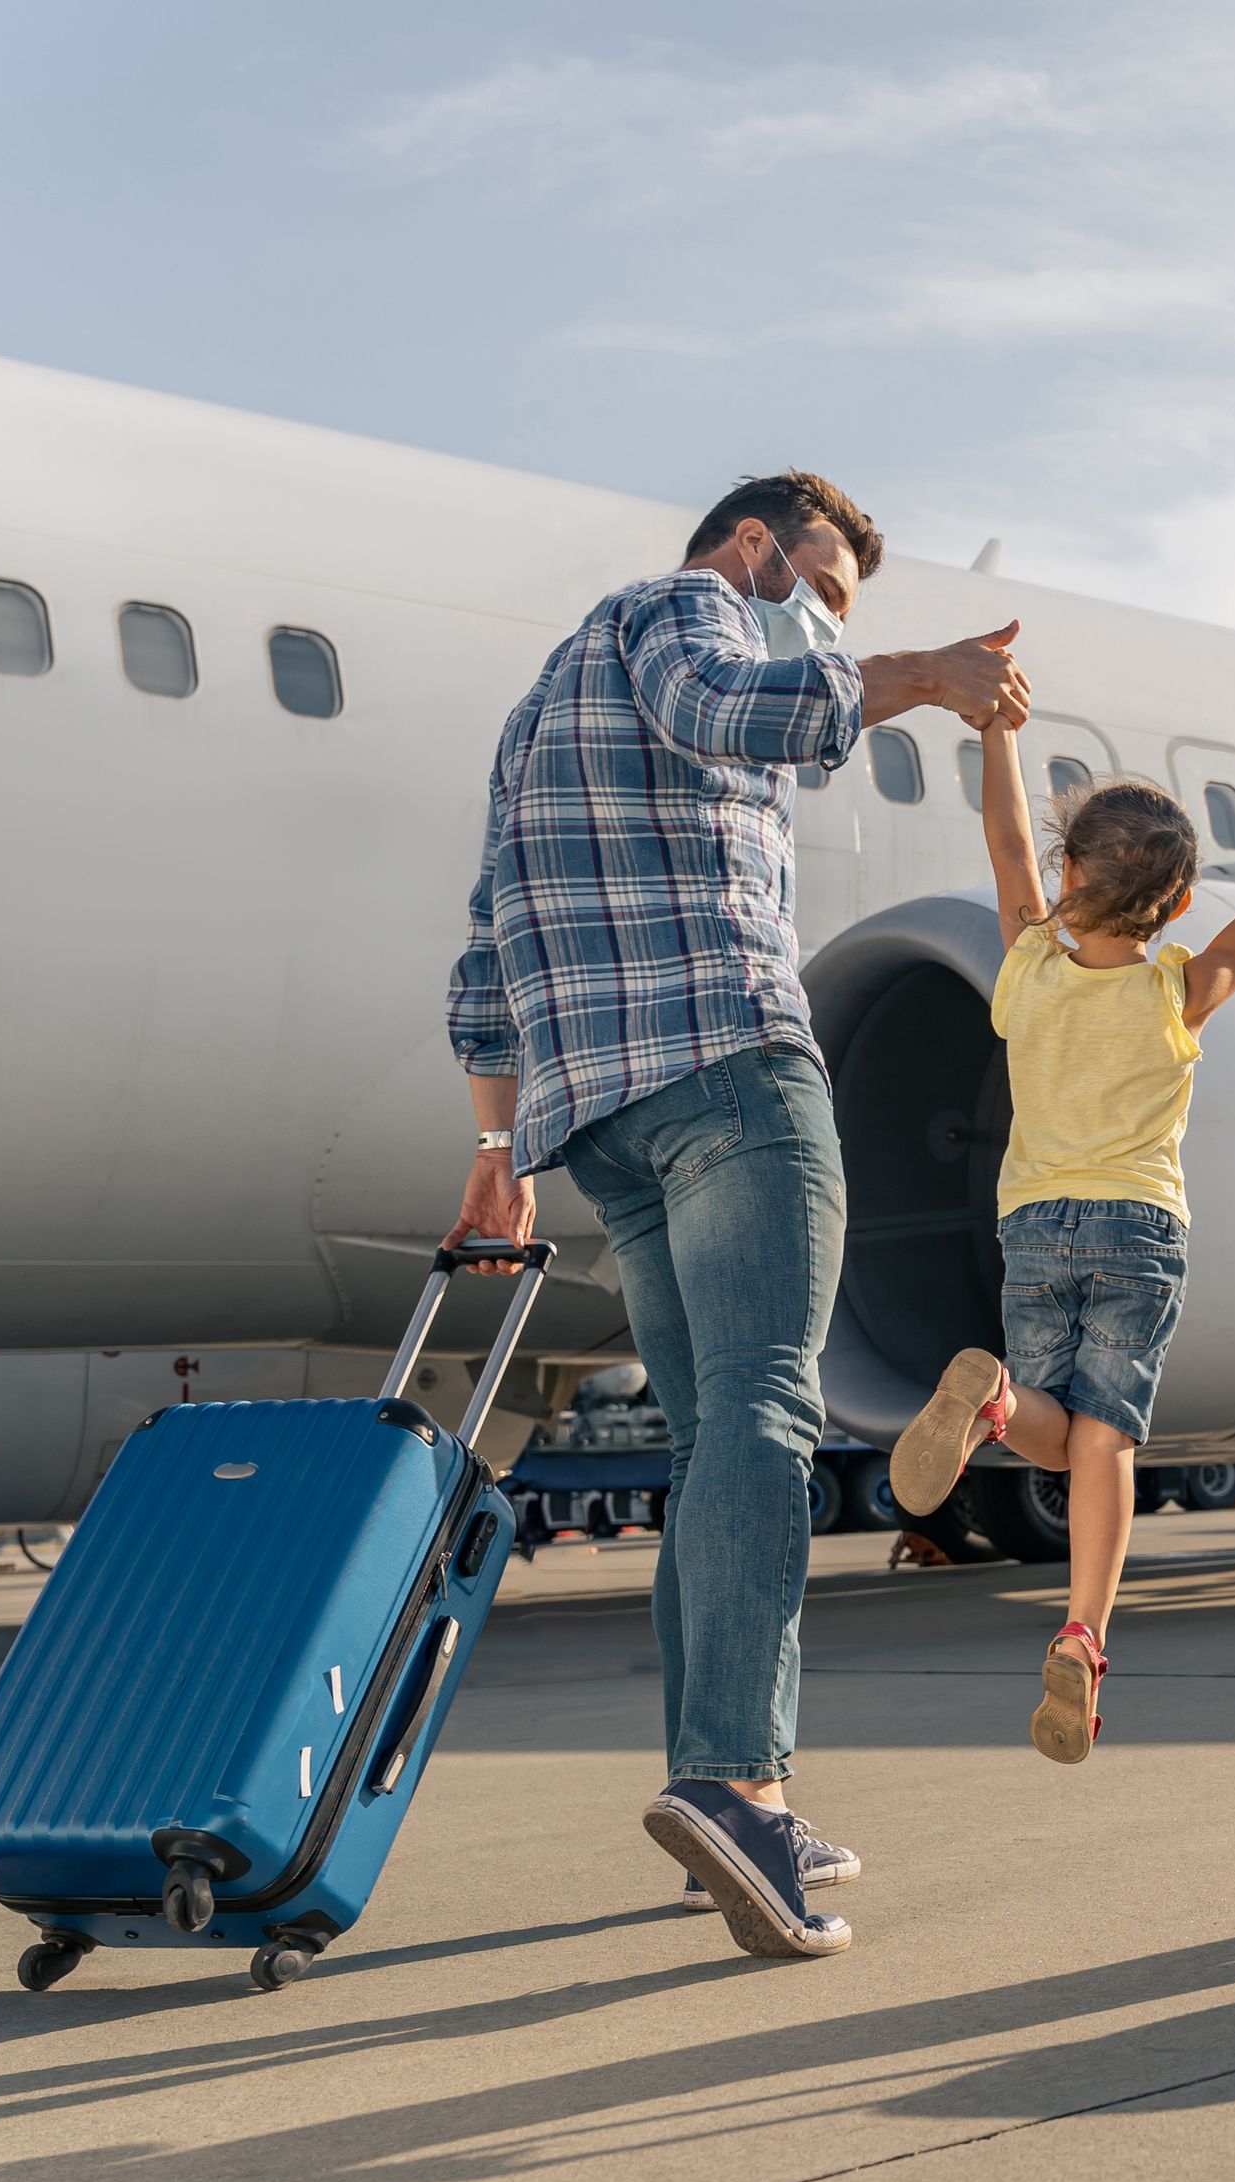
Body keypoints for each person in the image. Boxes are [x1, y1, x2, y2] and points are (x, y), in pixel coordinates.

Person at [448, 469, 1026, 1961]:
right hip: (726, 1068)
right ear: (760, 546)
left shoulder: (534, 716)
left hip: (605, 1123)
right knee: (770, 1419)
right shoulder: (689, 608)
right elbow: (734, 710)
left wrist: (496, 1143)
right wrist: (920, 679)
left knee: (715, 1442)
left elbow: (483, 942)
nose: (831, 625)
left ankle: (720, 1783)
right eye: (826, 591)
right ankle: (738, 1779)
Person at [888, 708, 1235, 1762]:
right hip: (1139, 1226)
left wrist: (995, 731)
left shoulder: (1028, 967)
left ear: (1068, 870)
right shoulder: (1178, 992)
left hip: (1035, 1222)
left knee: (1047, 1423)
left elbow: (1001, 845)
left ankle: (991, 1401)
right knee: (1105, 1439)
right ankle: (1085, 1629)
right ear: (1172, 904)